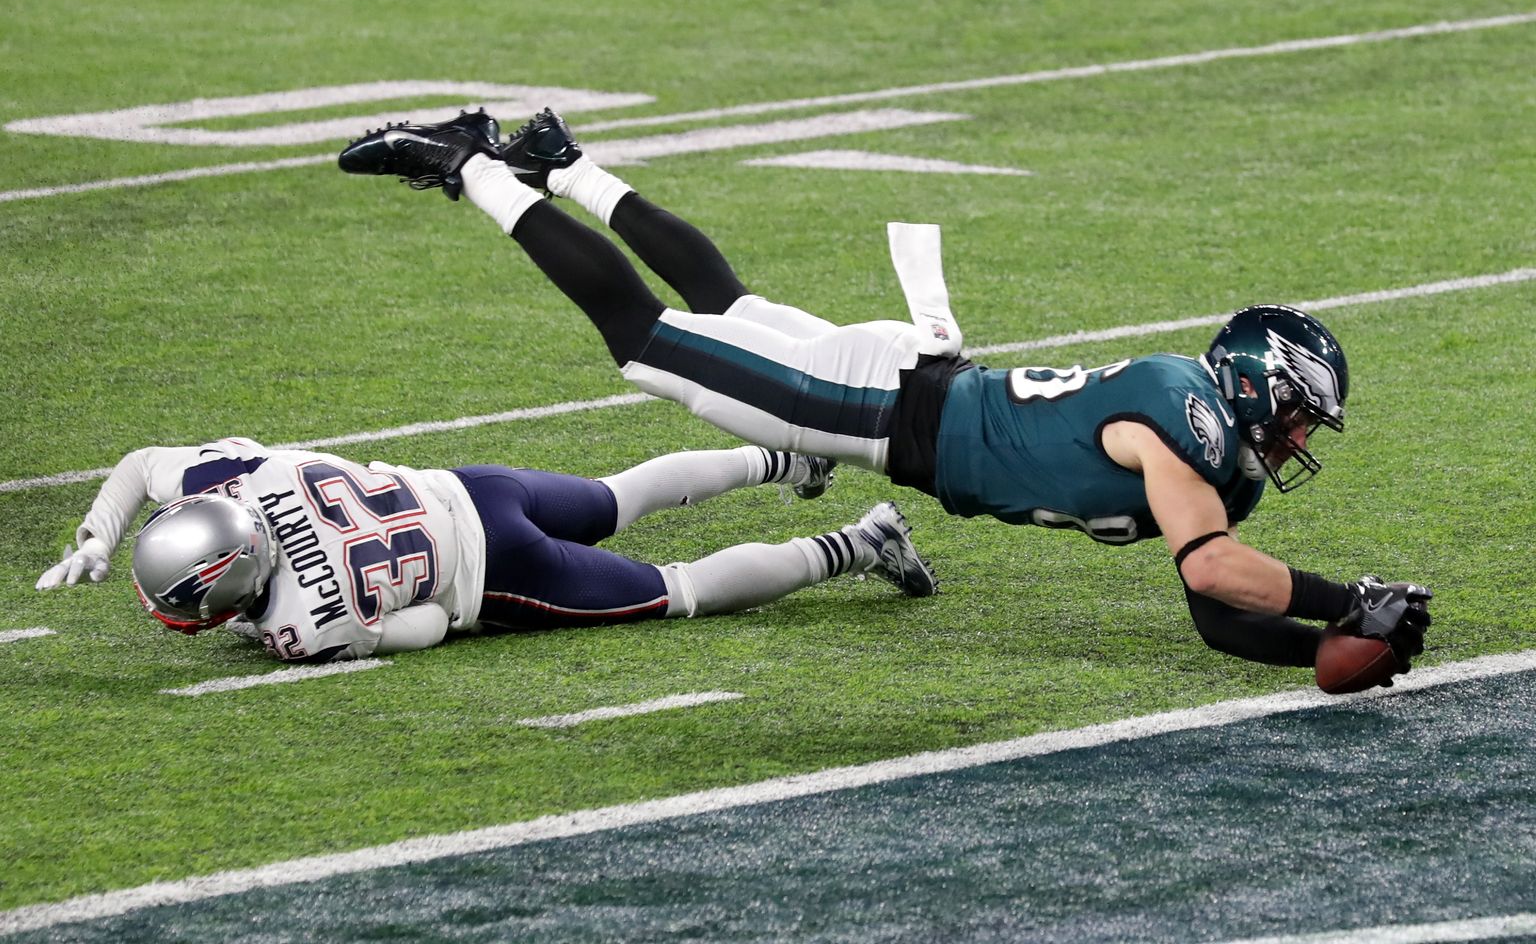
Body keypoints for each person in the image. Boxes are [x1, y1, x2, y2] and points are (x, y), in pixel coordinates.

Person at [336, 109, 1431, 688]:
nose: (1296, 435)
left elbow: (1217, 612)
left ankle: (565, 164)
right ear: (1253, 379)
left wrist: (1330, 648)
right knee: (644, 339)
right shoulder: (1187, 418)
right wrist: (1351, 598)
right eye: (1297, 408)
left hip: (905, 386)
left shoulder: (1219, 462)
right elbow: (1215, 571)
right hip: (870, 407)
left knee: (727, 304)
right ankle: (472, 163)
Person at [35, 436, 936, 663]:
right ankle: (786, 457)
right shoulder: (255, 473)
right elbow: (142, 465)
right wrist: (100, 534)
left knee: (681, 589)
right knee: (620, 493)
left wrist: (261, 626)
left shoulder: (305, 627)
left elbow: (429, 625)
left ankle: (861, 542)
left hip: (501, 572)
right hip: (475, 488)